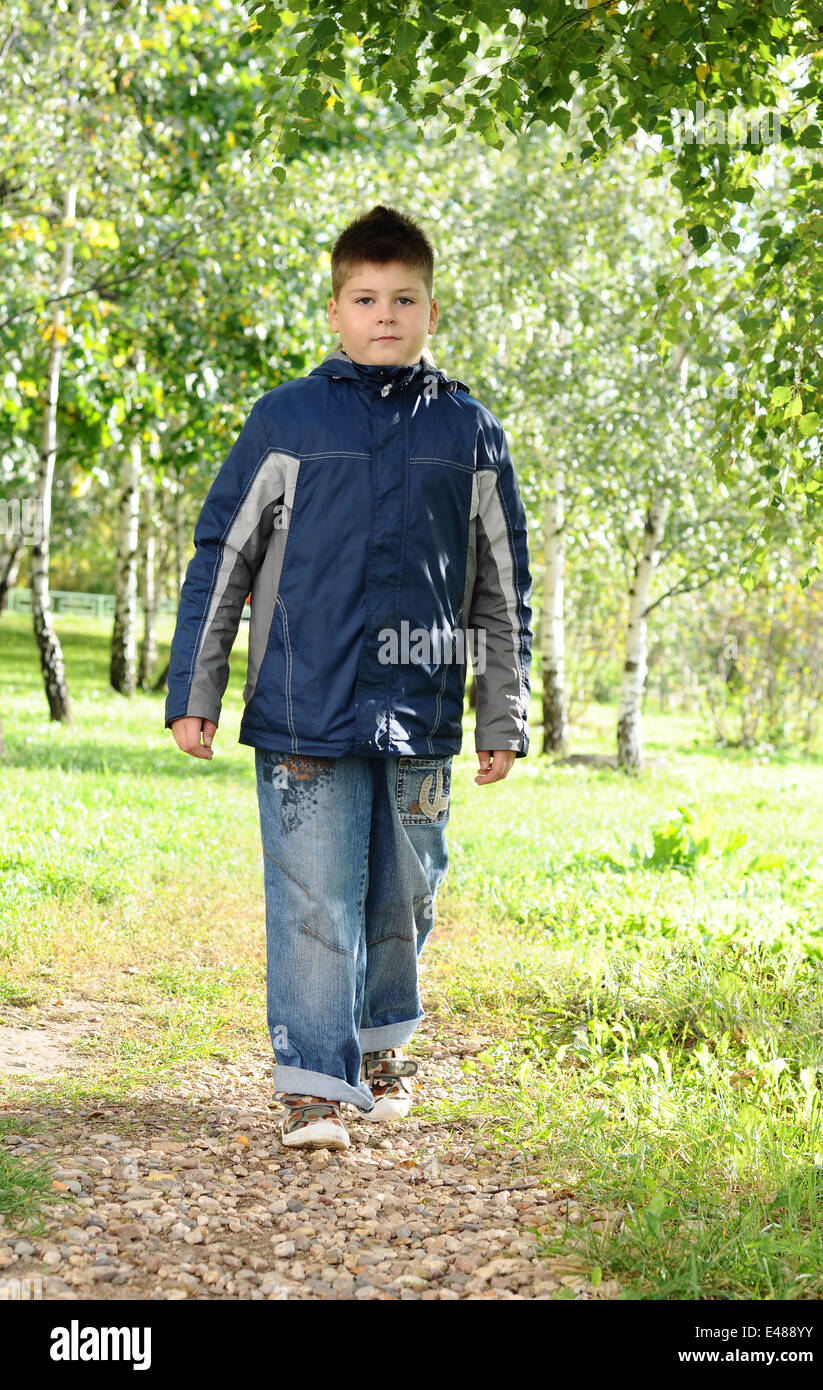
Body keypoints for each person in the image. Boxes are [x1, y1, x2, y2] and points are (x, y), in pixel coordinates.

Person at [165, 204, 532, 1150]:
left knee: (404, 895)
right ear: (335, 310)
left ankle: (379, 1053)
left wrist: (502, 710)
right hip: (304, 705)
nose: (384, 315)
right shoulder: (285, 419)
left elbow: (499, 587)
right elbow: (223, 557)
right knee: (314, 896)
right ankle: (317, 1090)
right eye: (364, 298)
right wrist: (194, 690)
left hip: (422, 709)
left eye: (403, 299)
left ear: (430, 312)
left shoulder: (470, 433)